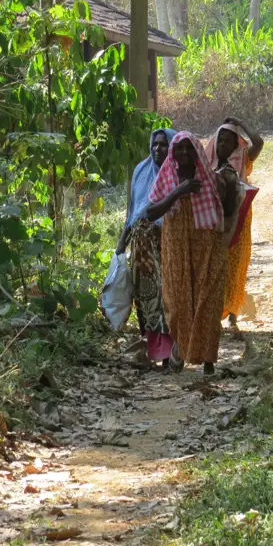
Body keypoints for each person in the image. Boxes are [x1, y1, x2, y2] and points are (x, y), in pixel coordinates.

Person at [146, 132, 237, 375]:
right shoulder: (167, 177)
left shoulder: (210, 178)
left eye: (189, 149)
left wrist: (229, 186)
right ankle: (181, 348)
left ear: (197, 152)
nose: (184, 154)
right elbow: (151, 212)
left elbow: (226, 211)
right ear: (173, 153)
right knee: (176, 302)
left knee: (206, 300)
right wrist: (178, 191)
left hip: (206, 246)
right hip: (176, 246)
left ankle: (208, 362)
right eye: (180, 149)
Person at [116, 128, 177, 369]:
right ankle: (156, 351)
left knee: (167, 296)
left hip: (167, 243)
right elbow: (132, 209)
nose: (157, 149)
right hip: (141, 246)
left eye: (163, 145)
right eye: (155, 144)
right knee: (146, 298)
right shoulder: (141, 171)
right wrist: (123, 240)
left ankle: (173, 350)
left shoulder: (176, 172)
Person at [205, 117, 264, 327]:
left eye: (228, 141)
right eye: (220, 140)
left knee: (236, 264)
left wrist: (240, 123)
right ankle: (216, 311)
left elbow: (259, 142)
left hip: (239, 218)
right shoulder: (206, 162)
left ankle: (232, 314)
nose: (223, 145)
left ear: (235, 144)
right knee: (216, 265)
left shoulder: (243, 159)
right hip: (214, 220)